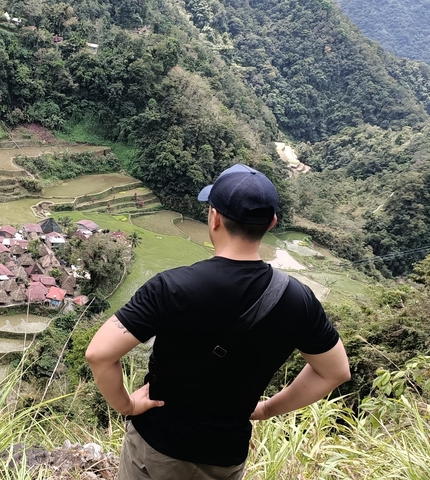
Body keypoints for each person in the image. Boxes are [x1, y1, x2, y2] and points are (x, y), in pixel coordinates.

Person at [85, 164, 351, 480]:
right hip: (226, 455)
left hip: (158, 447)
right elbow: (335, 371)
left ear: (214, 218)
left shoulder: (172, 286)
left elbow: (99, 354)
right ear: (272, 223)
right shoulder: (298, 299)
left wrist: (127, 405)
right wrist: (266, 409)